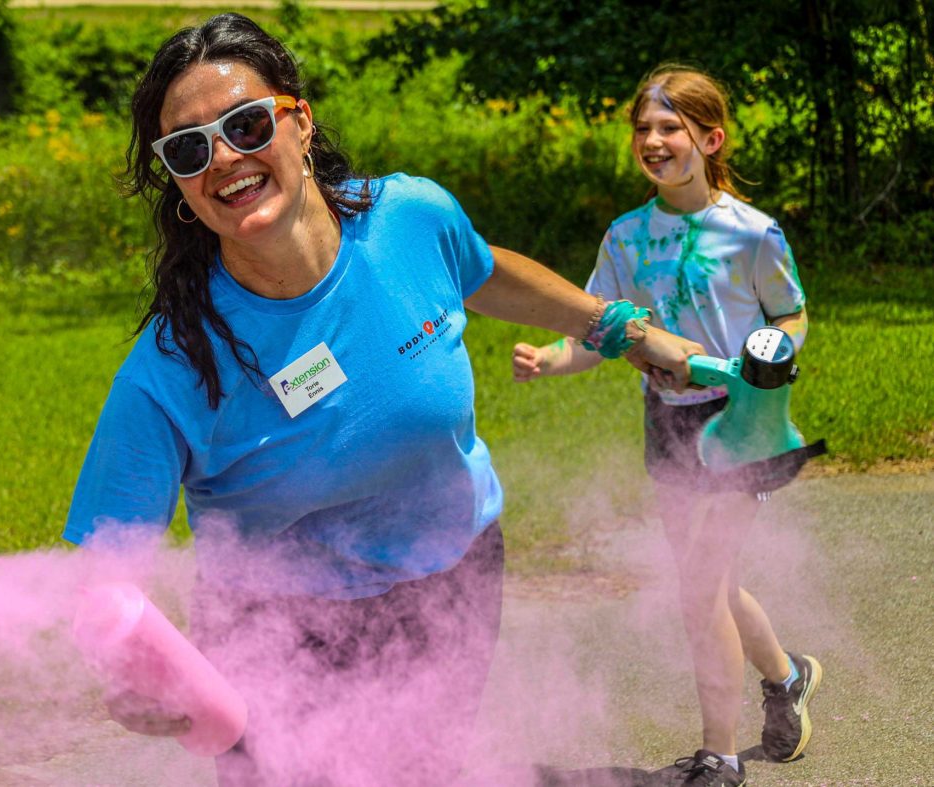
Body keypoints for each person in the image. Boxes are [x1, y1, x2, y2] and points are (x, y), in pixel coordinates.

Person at [62, 14, 701, 786]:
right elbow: (104, 572)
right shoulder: (170, 367)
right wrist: (126, 667)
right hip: (280, 635)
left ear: (298, 121)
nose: (224, 157)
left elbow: (479, 268)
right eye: (190, 148)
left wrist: (619, 328)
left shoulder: (408, 218)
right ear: (178, 183)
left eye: (246, 122)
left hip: (454, 571)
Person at [512, 65, 822, 786]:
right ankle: (786, 678)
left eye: (669, 127)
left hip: (742, 423)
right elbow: (598, 329)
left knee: (700, 586)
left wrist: (775, 351)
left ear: (710, 139)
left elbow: (791, 313)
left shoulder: (753, 234)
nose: (652, 141)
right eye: (643, 129)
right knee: (709, 580)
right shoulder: (624, 239)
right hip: (668, 424)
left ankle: (719, 754)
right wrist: (550, 359)